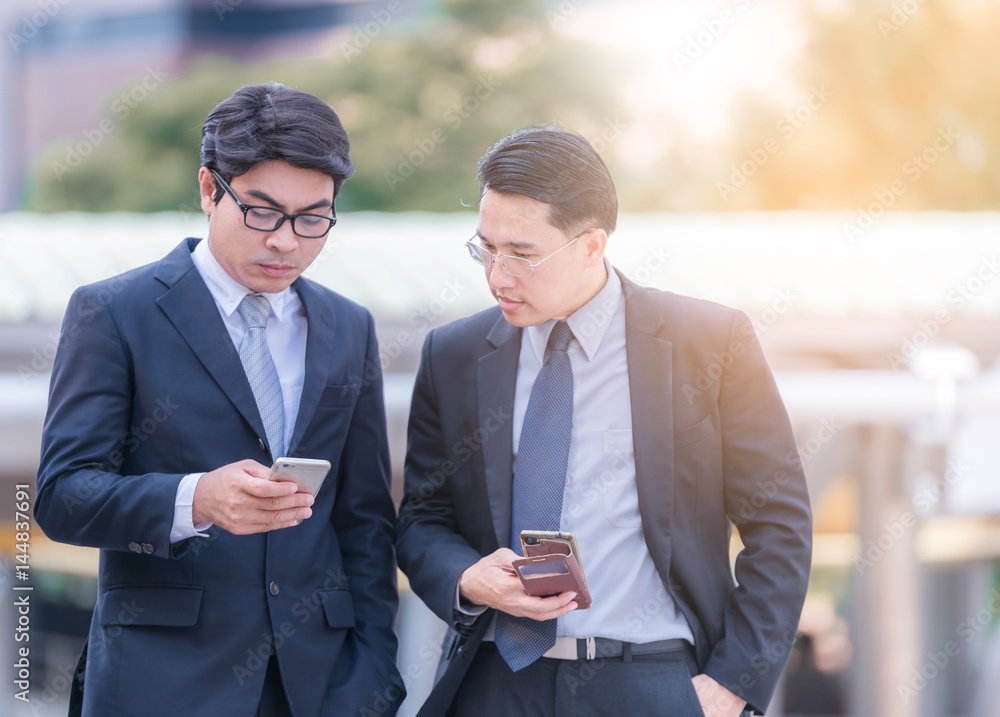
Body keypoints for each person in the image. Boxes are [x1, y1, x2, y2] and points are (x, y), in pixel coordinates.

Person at [396, 127, 812, 717]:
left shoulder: (710, 343)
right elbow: (420, 518)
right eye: (484, 248)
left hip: (654, 682)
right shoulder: (454, 354)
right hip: (494, 682)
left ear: (593, 245)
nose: (497, 276)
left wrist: (734, 683)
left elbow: (778, 521)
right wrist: (467, 577)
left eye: (521, 253)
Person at [35, 83, 403, 717]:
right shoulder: (115, 312)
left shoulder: (349, 326)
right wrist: (196, 498)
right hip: (164, 685)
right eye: (262, 212)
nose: (287, 242)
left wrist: (374, 678)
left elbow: (364, 520)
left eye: (314, 219)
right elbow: (61, 496)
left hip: (322, 688)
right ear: (210, 190)